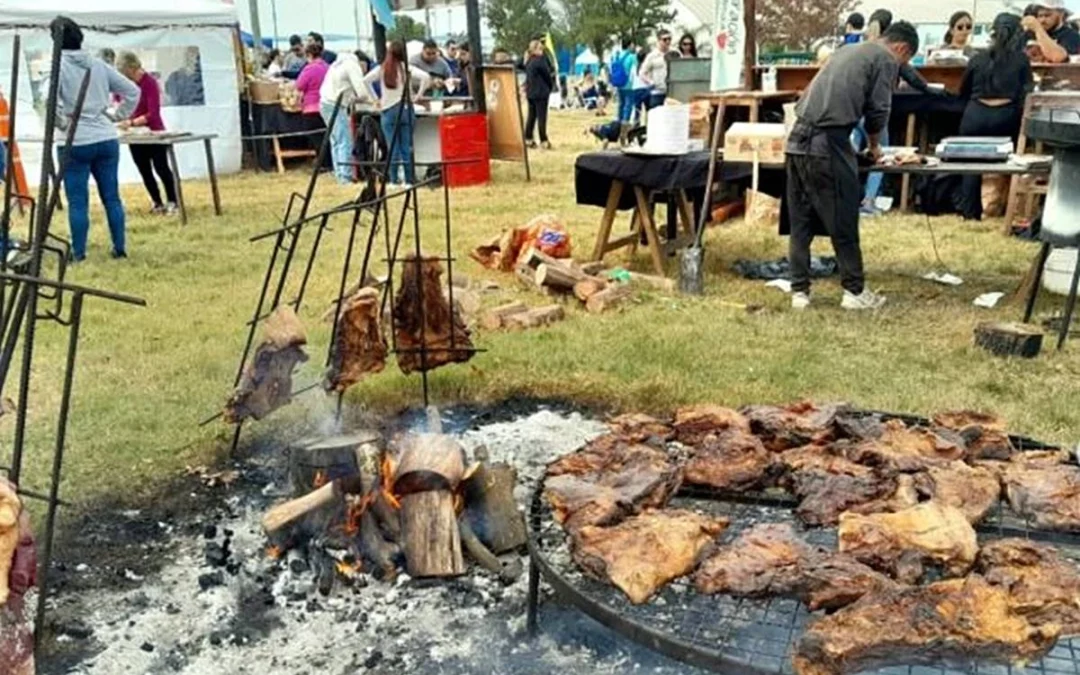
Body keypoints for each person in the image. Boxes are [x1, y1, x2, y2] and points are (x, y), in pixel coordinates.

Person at [785, 21, 920, 311]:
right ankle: (854, 291)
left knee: (801, 219)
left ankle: (800, 292)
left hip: (796, 138)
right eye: (905, 61)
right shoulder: (884, 59)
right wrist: (874, 146)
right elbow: (878, 109)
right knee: (843, 218)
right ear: (902, 49)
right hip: (827, 142)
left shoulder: (849, 49)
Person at [52, 16, 140, 262]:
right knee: (111, 197)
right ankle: (119, 247)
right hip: (105, 137)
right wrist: (116, 115)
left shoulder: (58, 66)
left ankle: (79, 253)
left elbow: (49, 103)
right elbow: (133, 91)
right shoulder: (98, 64)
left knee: (78, 201)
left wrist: (62, 123)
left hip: (75, 140)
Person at [957, 13, 1032, 221]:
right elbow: (1026, 93)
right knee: (1014, 160)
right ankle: (1008, 209)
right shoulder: (1021, 60)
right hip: (1006, 118)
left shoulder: (977, 58)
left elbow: (963, 91)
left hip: (975, 116)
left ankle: (970, 213)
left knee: (969, 165)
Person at [116, 52, 178, 215]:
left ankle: (173, 200)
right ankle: (157, 202)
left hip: (154, 132)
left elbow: (153, 113)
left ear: (131, 68)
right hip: (134, 135)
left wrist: (132, 122)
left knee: (161, 168)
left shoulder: (149, 82)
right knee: (144, 169)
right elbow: (117, 100)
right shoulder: (125, 84)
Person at [364, 40, 432, 187]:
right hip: (406, 109)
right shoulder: (407, 68)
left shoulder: (382, 69)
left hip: (388, 110)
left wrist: (375, 99)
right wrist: (418, 95)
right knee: (406, 146)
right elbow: (426, 77)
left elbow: (366, 80)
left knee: (392, 147)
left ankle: (393, 180)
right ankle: (409, 181)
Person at [320, 51, 372, 185]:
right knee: (345, 141)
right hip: (336, 105)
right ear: (362, 62)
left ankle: (339, 175)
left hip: (324, 103)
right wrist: (373, 101)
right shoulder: (352, 66)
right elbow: (362, 92)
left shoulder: (337, 64)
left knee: (335, 141)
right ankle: (345, 178)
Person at [524, 39, 555, 149]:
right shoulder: (540, 61)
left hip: (531, 92)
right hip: (541, 93)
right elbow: (547, 75)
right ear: (536, 49)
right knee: (542, 117)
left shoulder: (528, 61)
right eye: (540, 48)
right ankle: (544, 140)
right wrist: (550, 86)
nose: (542, 51)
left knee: (531, 117)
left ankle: (528, 138)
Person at [639, 29, 674, 109]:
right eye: (665, 39)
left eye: (669, 39)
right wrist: (651, 82)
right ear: (659, 41)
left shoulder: (675, 53)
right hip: (657, 92)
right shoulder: (652, 56)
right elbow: (642, 73)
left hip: (672, 92)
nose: (668, 42)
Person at [612, 39, 638, 125]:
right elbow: (635, 69)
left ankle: (619, 121)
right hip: (628, 84)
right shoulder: (632, 56)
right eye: (632, 44)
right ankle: (625, 122)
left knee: (621, 104)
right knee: (628, 104)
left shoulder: (617, 55)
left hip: (618, 83)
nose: (633, 46)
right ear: (629, 45)